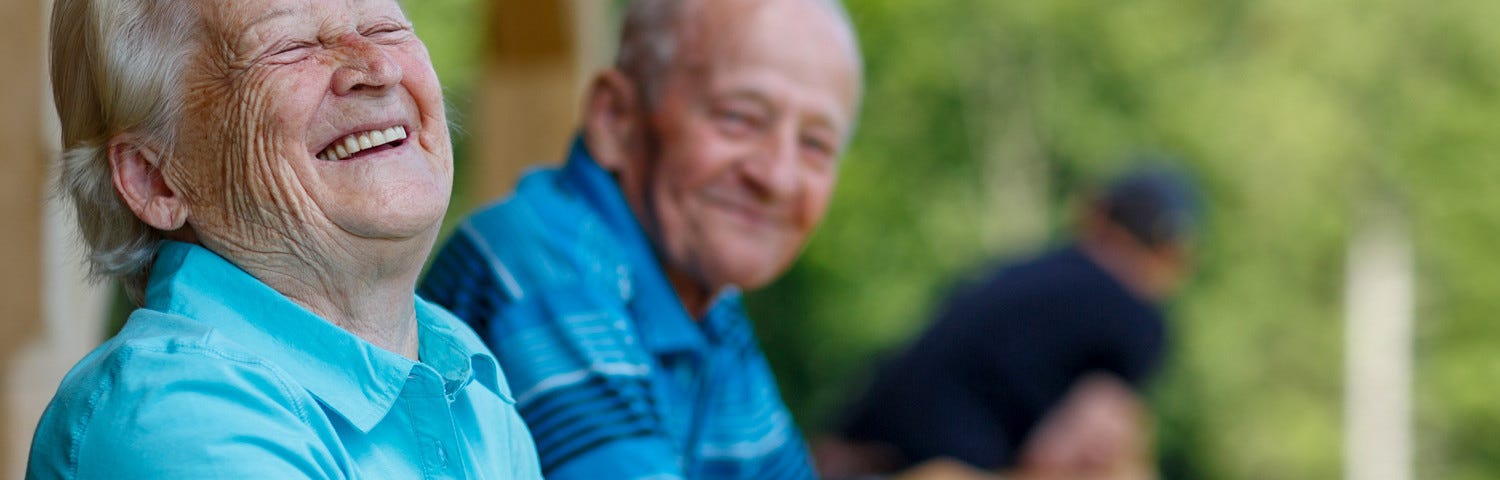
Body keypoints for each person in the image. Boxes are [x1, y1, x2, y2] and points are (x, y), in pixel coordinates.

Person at [28, 0, 541, 477]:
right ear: (156, 177)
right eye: (291, 46)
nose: (379, 68)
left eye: (384, 28)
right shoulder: (174, 413)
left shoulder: (455, 361)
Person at [417, 0, 863, 478]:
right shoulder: (545, 262)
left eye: (815, 144)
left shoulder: (710, 308)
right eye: (739, 118)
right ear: (617, 118)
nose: (777, 176)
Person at [824, 167, 1201, 480]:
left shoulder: (1013, 272)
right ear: (1175, 256)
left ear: (1094, 214)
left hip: (849, 453)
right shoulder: (1136, 316)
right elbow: (1068, 453)